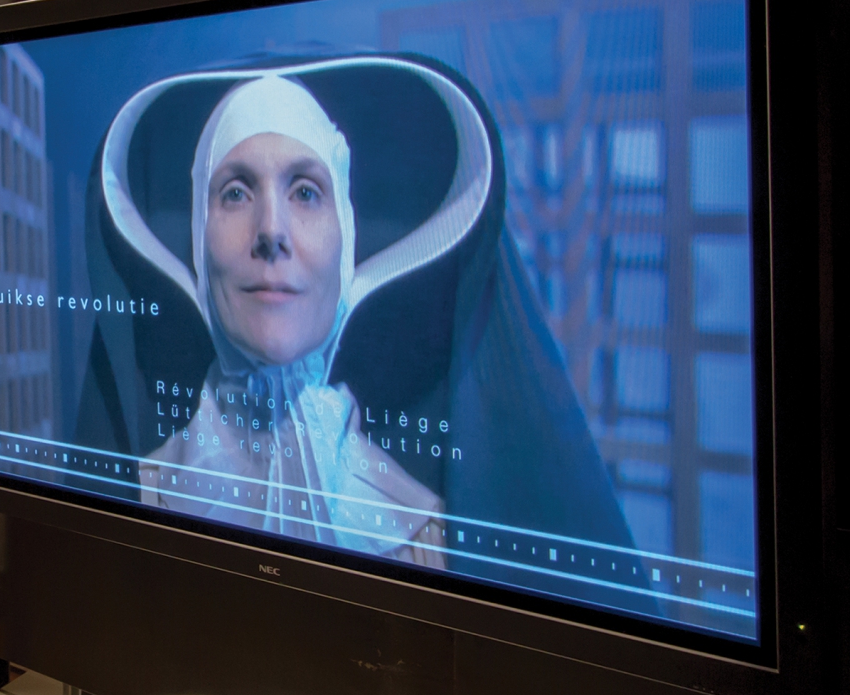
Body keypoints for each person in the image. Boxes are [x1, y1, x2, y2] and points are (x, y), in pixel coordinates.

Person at [76, 52, 635, 588]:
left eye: (305, 192)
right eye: (236, 193)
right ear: (199, 242)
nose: (271, 230)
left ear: (346, 246)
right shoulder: (129, 502)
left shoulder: (423, 532)